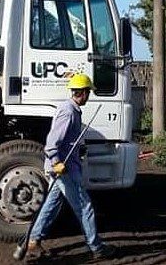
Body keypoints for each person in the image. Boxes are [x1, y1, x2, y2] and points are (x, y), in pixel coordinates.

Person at [26, 73, 116, 260]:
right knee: (85, 207)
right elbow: (52, 142)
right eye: (88, 92)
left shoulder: (72, 109)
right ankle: (97, 248)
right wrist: (56, 161)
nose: (89, 96)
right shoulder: (68, 111)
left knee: (52, 204)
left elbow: (66, 140)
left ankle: (33, 242)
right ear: (82, 93)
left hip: (64, 165)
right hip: (64, 168)